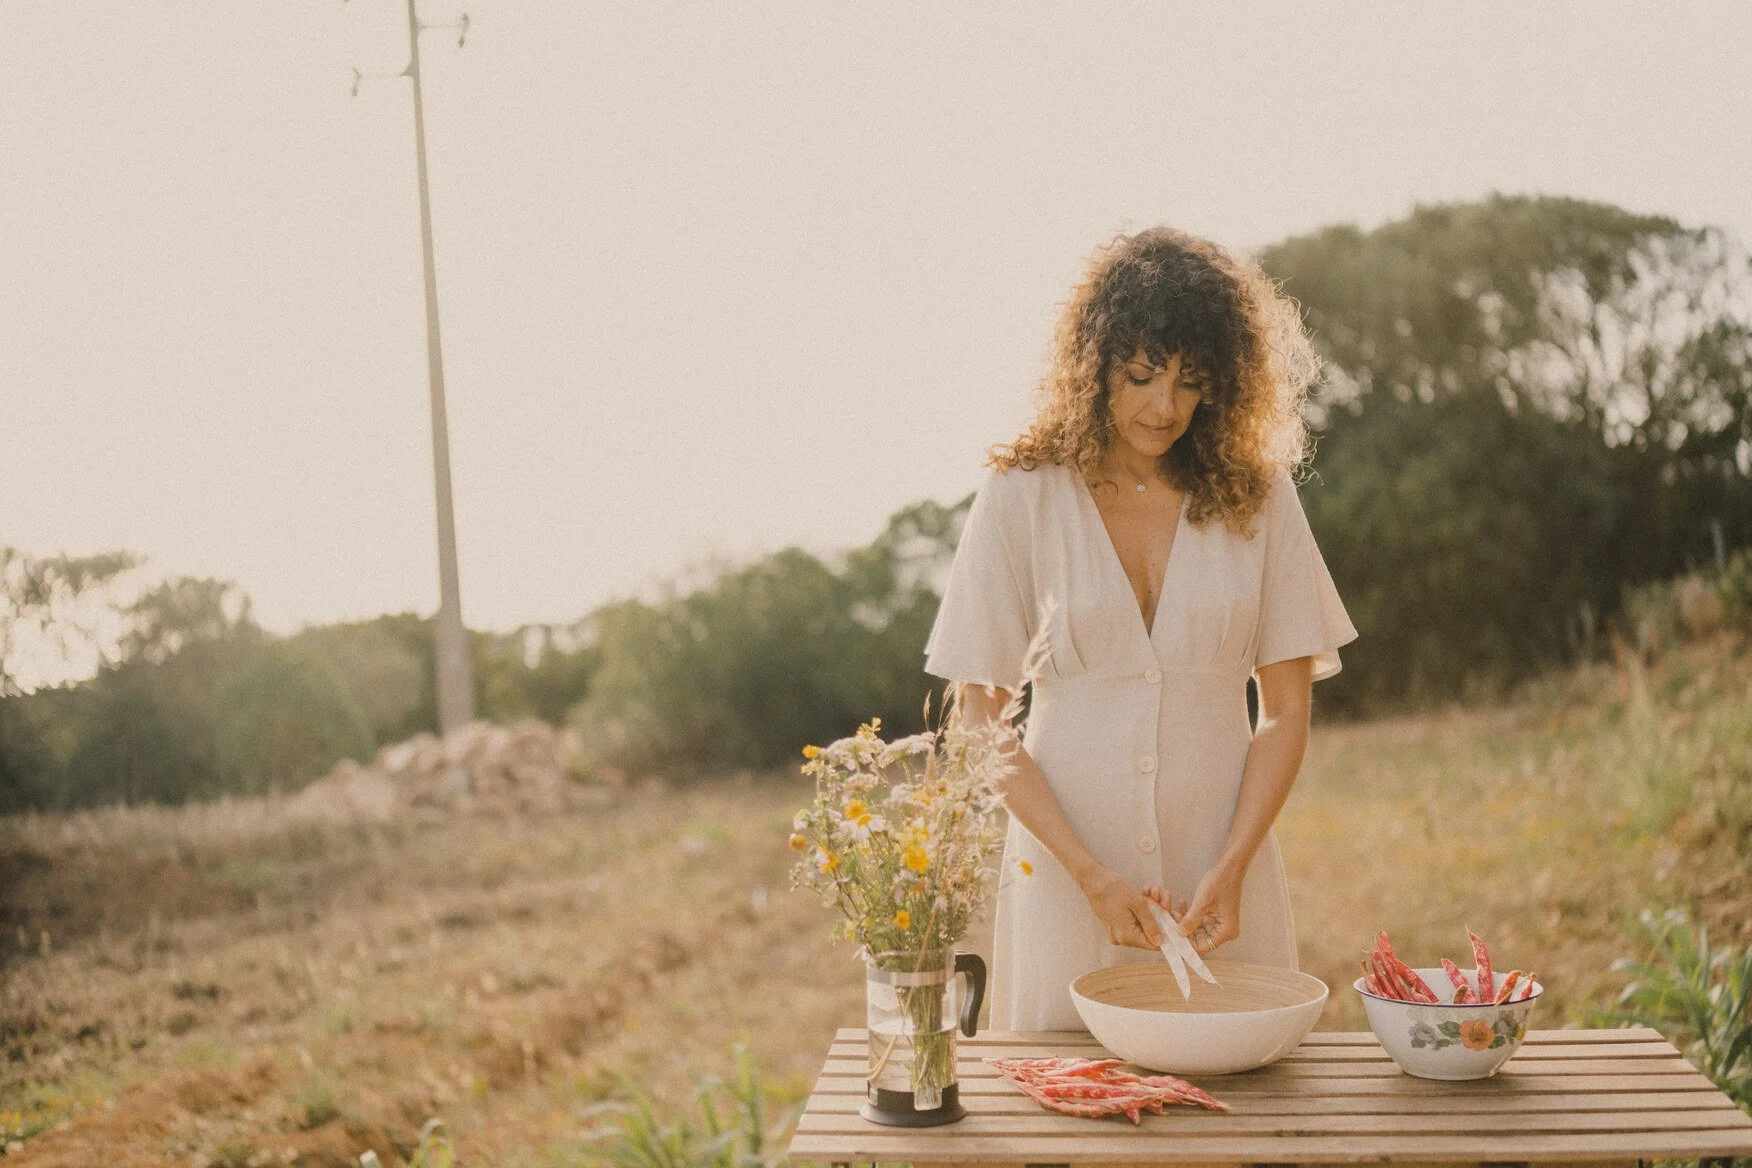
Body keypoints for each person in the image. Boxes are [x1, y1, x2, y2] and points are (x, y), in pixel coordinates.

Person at [923, 226, 1358, 1030]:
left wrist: (1233, 865)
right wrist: (1089, 874)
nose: (1165, 407)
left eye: (1192, 381)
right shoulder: (1022, 497)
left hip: (1220, 885)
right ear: (1095, 367)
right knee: (1068, 1122)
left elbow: (1287, 712)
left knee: (1241, 1123)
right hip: (1065, 879)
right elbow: (979, 714)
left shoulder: (1258, 497)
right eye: (1140, 375)